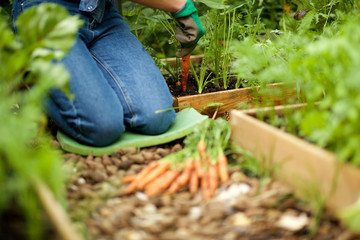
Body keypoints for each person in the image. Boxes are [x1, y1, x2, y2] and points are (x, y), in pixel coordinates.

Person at [11, 0, 205, 146]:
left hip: (100, 14)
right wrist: (179, 5)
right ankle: (35, 72)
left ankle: (74, 71)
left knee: (157, 116)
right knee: (103, 127)